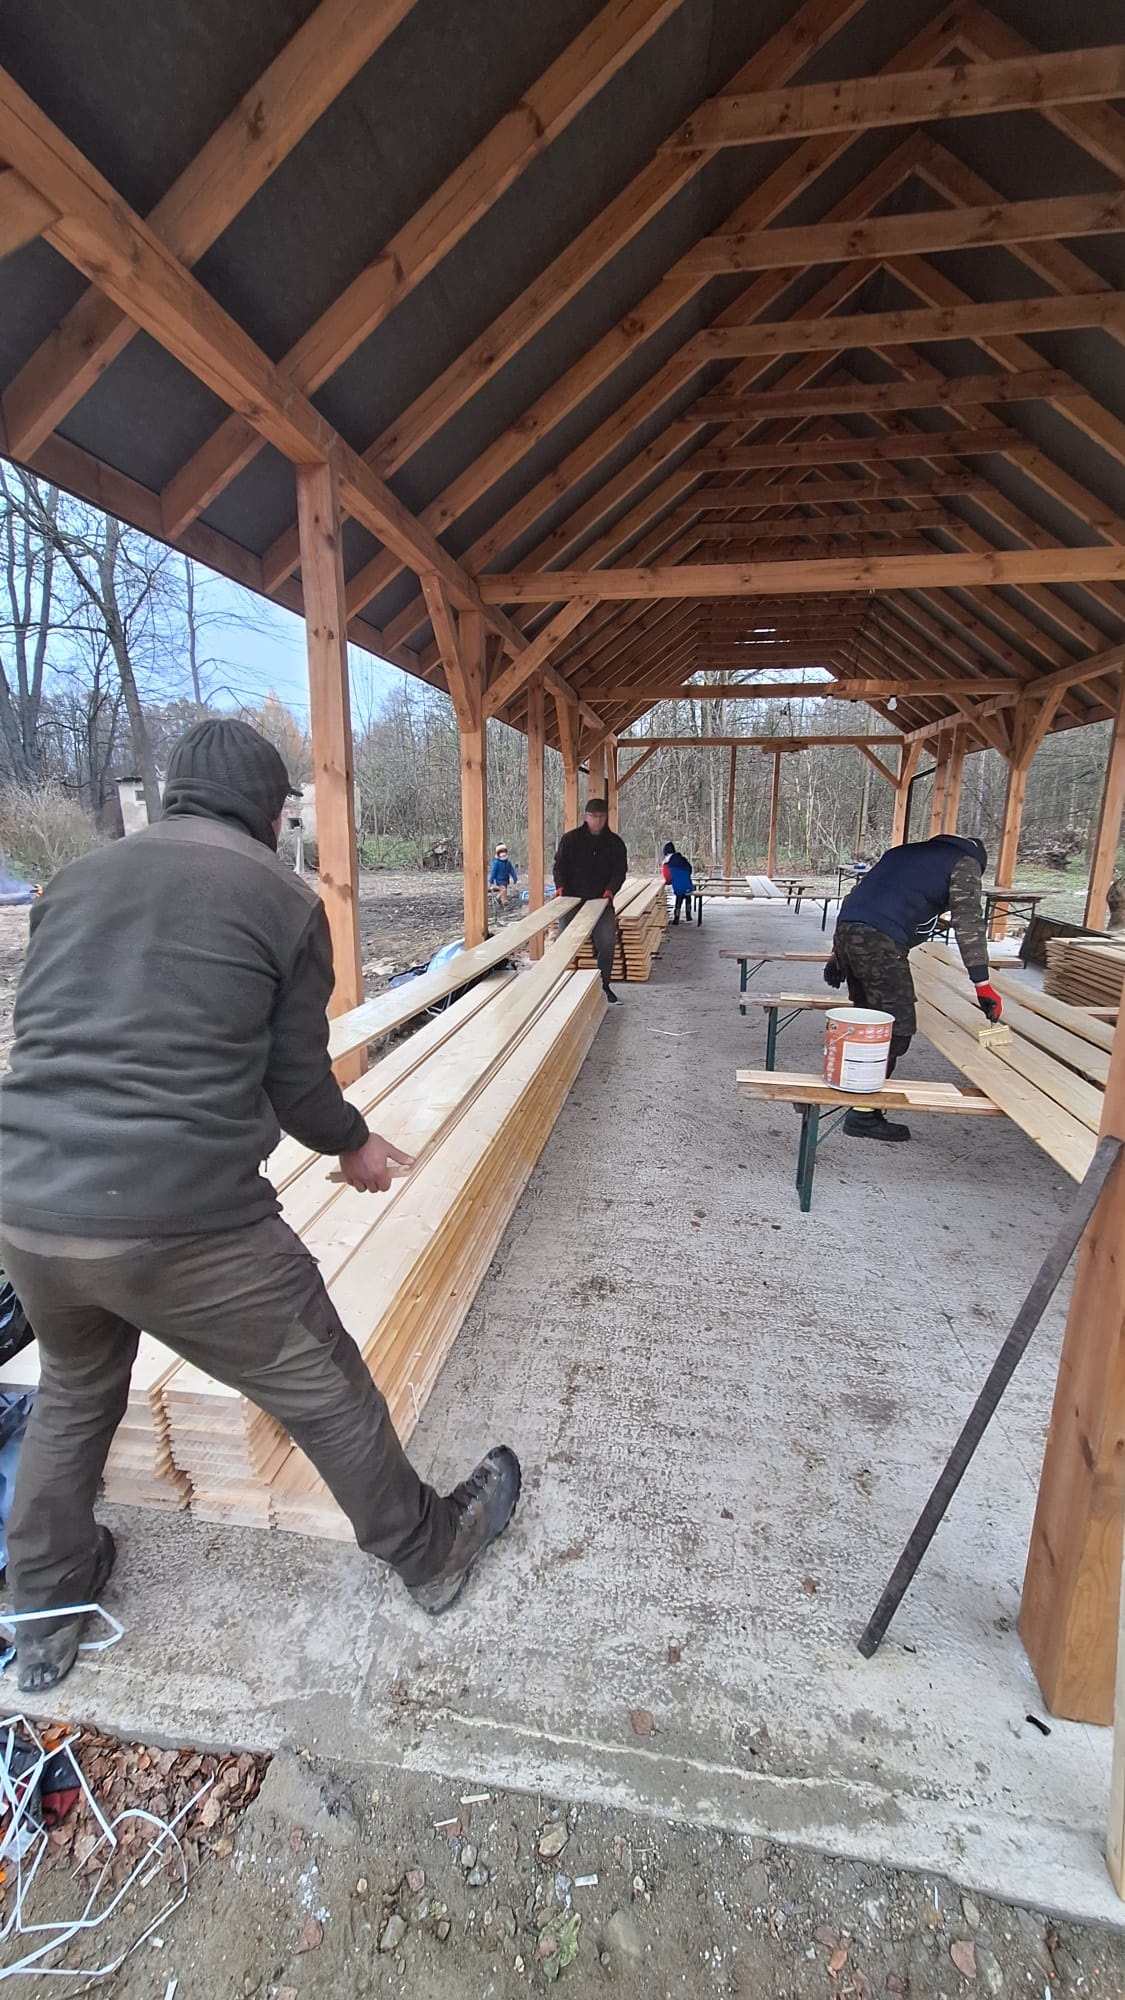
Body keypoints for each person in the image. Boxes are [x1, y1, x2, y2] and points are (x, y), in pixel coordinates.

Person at [0, 718, 521, 1694]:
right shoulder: (279, 897)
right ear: (270, 808)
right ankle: (430, 1549)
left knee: (73, 1390)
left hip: (29, 1205)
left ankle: (43, 1610)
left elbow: (51, 1035)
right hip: (184, 1218)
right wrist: (352, 1141)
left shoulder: (71, 880)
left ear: (174, 794)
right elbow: (295, 1079)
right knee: (321, 1380)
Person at [825, 833, 1003, 1145]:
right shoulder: (966, 863)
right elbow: (969, 922)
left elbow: (856, 897)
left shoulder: (905, 854)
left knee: (868, 1018)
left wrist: (838, 952)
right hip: (879, 940)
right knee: (896, 1027)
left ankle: (855, 1091)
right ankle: (863, 1114)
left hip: (848, 928)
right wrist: (982, 983)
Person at [553, 797, 628, 1004]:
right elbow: (559, 866)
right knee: (563, 941)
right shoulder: (570, 840)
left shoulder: (615, 844)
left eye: (601, 816)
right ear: (585, 817)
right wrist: (560, 887)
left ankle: (604, 985)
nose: (598, 820)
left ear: (606, 817)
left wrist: (610, 891)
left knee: (607, 942)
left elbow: (620, 871)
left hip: (601, 901)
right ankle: (556, 984)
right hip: (572, 899)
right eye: (593, 816)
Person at [661, 842, 695, 925]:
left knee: (678, 901)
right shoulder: (683, 859)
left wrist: (669, 882)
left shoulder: (666, 863)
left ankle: (676, 918)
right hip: (687, 884)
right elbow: (690, 870)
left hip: (678, 885)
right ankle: (688, 915)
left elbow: (667, 878)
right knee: (688, 898)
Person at [488, 844, 518, 908]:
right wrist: (491, 880)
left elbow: (512, 870)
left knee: (504, 892)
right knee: (503, 890)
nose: (503, 854)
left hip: (506, 880)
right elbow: (493, 872)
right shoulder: (496, 862)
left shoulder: (508, 863)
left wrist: (514, 877)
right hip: (499, 880)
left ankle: (501, 901)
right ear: (498, 854)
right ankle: (499, 899)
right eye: (501, 852)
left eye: (504, 852)